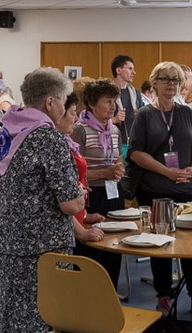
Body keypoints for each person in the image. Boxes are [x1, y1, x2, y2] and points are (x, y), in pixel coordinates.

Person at [0, 67, 85, 333]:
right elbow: (69, 204)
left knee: (16, 313)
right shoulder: (47, 138)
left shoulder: (6, 131)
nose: (65, 109)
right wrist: (81, 196)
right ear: (50, 101)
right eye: (63, 102)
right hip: (42, 243)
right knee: (41, 317)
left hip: (7, 238)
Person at [127, 61, 192, 314]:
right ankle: (163, 294)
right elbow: (136, 153)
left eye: (175, 79)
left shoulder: (188, 114)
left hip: (186, 188)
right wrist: (167, 171)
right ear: (154, 83)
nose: (170, 83)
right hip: (155, 190)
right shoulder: (144, 116)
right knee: (159, 246)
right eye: (165, 78)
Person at [70, 78, 125, 287]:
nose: (113, 107)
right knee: (92, 248)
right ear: (92, 104)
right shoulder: (80, 130)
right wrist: (105, 172)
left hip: (113, 192)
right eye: (107, 101)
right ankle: (91, 294)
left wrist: (119, 168)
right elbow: (75, 173)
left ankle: (110, 291)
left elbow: (119, 158)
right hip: (91, 195)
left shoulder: (115, 130)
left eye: (114, 101)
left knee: (115, 244)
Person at [54, 91, 105, 244]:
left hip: (76, 216)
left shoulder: (67, 141)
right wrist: (81, 231)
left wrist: (84, 215)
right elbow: (58, 198)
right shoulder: (56, 145)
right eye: (72, 113)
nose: (76, 118)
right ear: (59, 114)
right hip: (68, 226)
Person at [111, 54, 145, 156]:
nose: (134, 72)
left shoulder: (136, 93)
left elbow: (144, 116)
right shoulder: (108, 93)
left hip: (134, 144)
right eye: (130, 69)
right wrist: (114, 120)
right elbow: (96, 120)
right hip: (113, 144)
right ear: (119, 71)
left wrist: (140, 114)